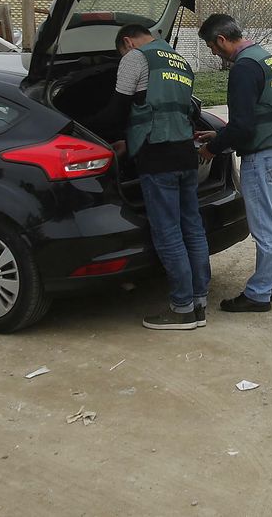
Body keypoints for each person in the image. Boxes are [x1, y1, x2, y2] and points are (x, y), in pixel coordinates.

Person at [96, 24, 210, 330]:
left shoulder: (135, 58)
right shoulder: (179, 60)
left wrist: (79, 126)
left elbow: (117, 110)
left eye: (121, 51)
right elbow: (181, 109)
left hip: (157, 156)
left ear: (128, 42)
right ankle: (198, 303)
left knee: (168, 232)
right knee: (193, 228)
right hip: (185, 154)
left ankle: (182, 309)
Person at [195, 14, 272, 313]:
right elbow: (257, 113)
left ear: (221, 40)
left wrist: (212, 149)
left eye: (211, 47)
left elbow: (242, 127)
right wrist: (220, 133)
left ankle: (259, 294)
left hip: (262, 158)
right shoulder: (262, 56)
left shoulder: (243, 68)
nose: (214, 53)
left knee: (266, 229)